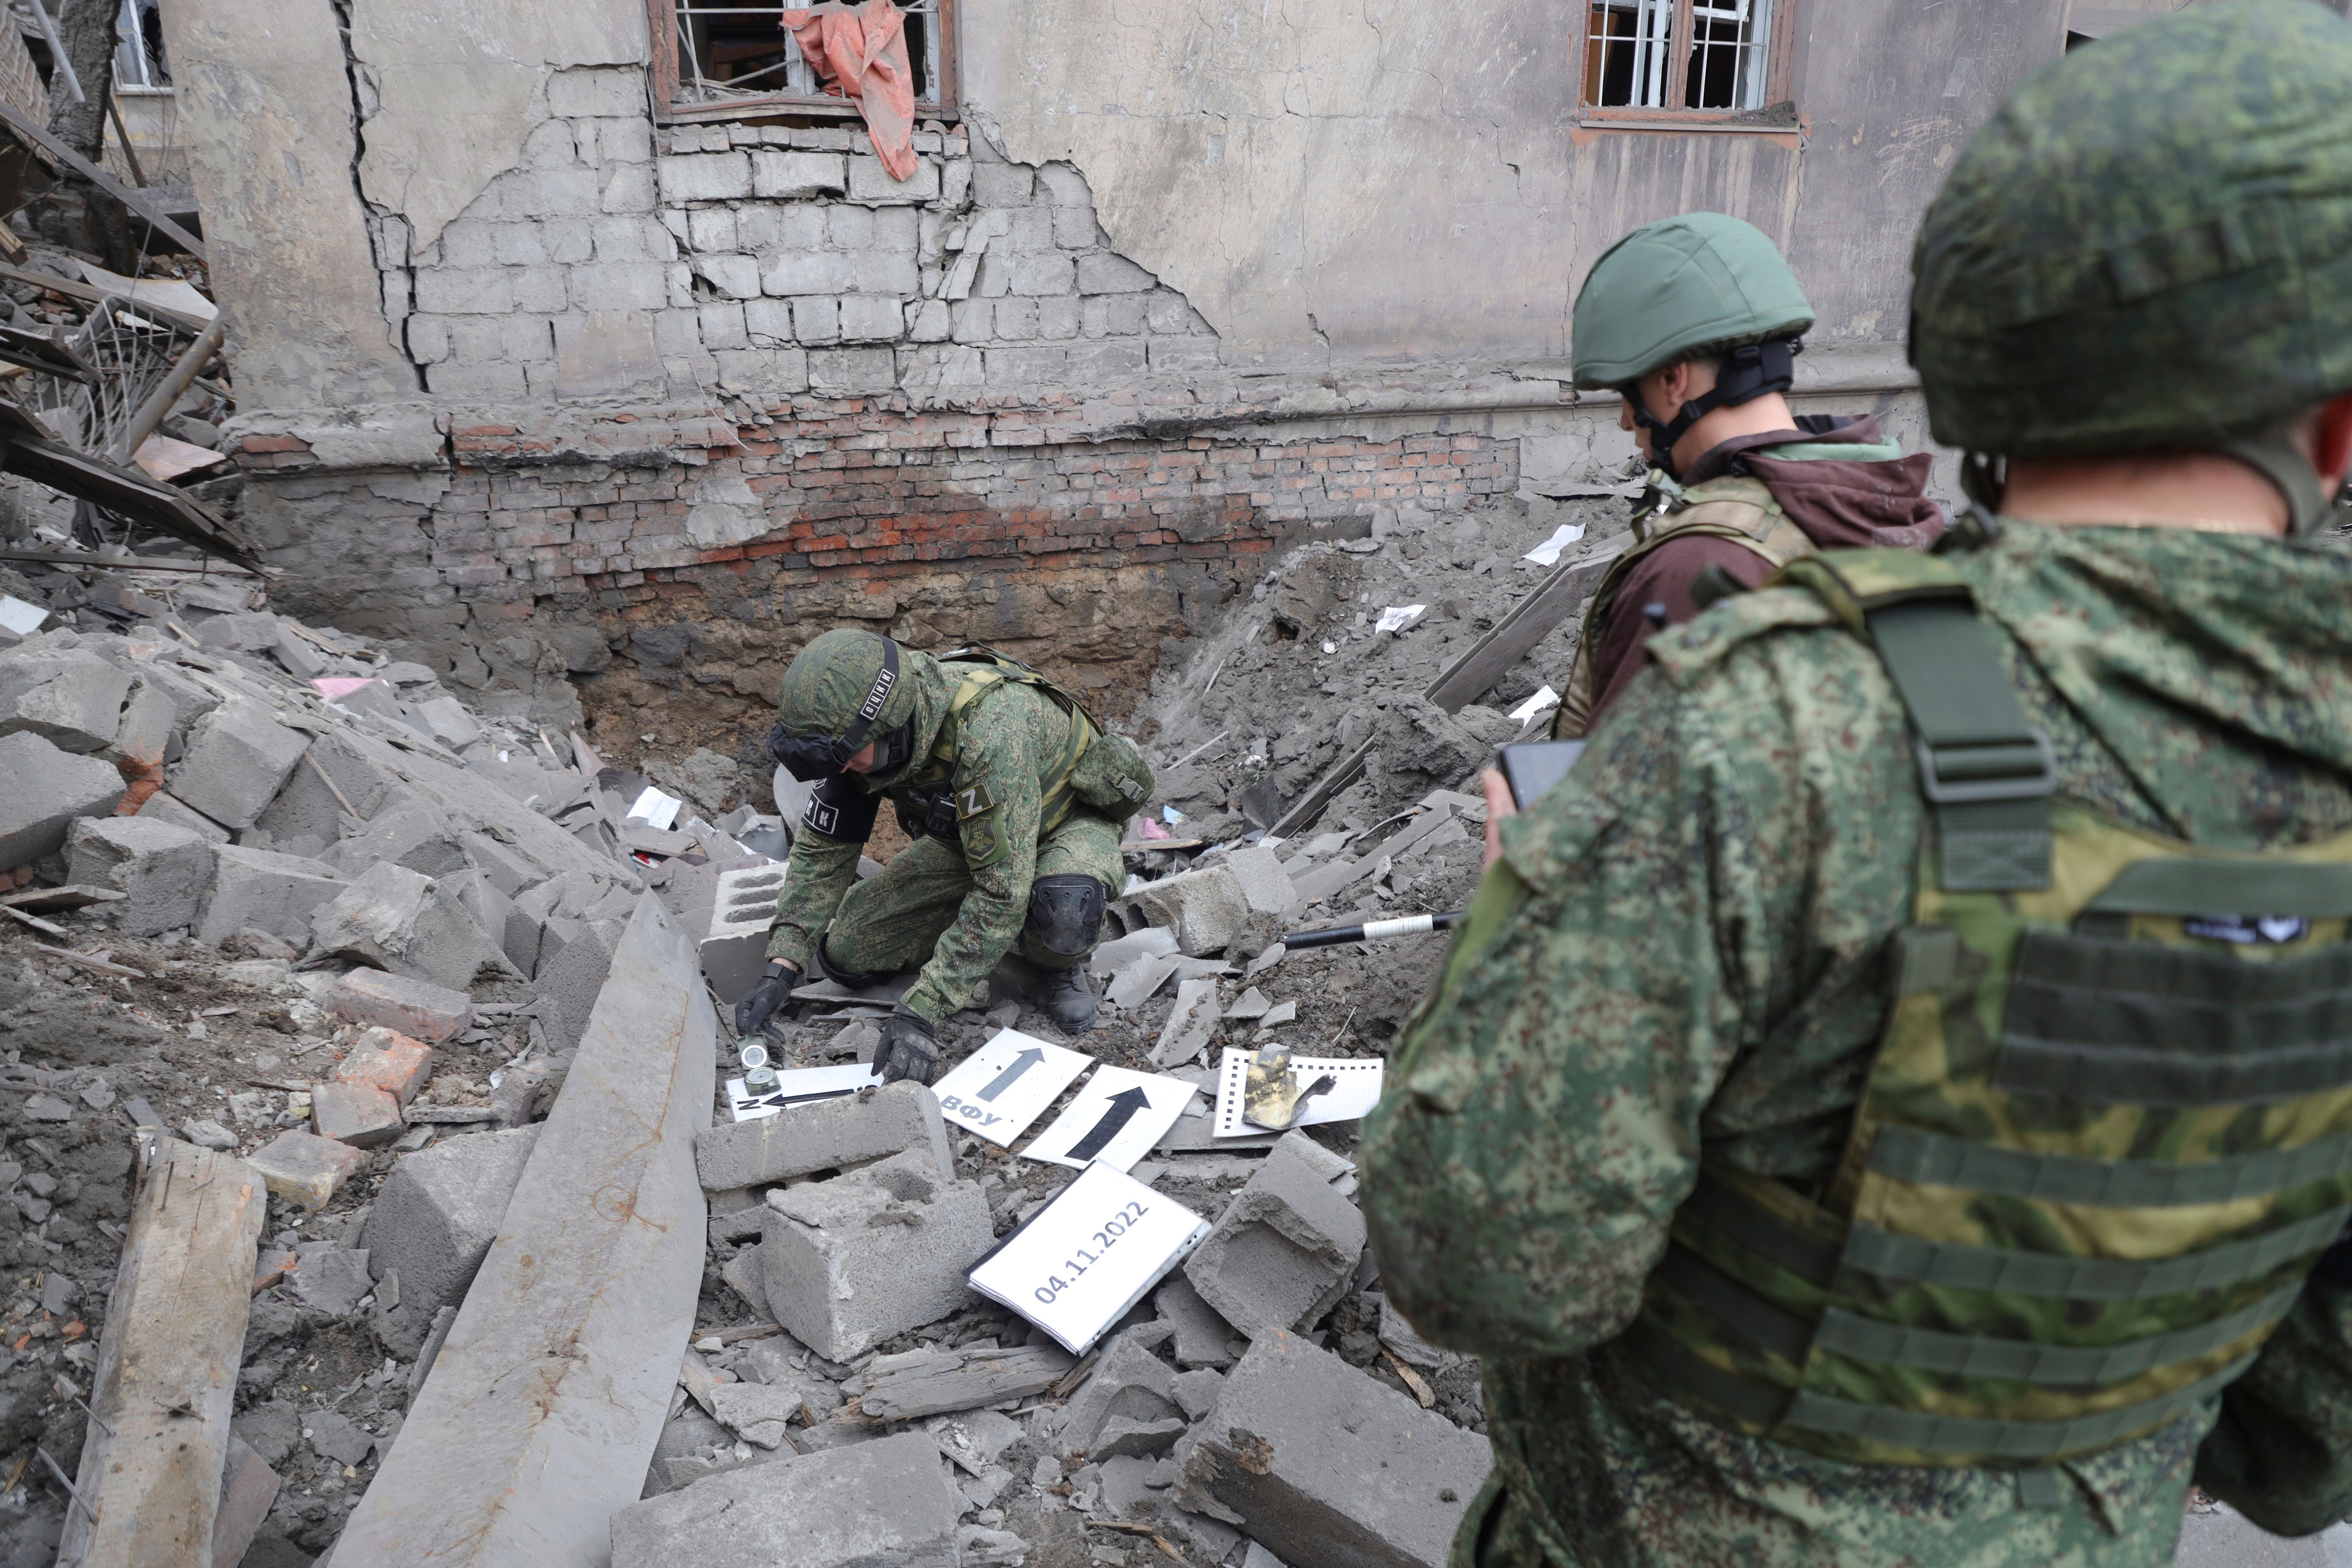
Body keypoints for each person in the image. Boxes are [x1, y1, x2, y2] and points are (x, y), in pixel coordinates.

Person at [1361, 4, 2352, 1564]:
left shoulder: (1785, 726)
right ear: (2338, 424)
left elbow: (1482, 1252)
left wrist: (1524, 899)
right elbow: (2304, 1451)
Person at [1550, 211, 1944, 737]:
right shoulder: (1880, 506)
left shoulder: (1698, 568)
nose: (1626, 421)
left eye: (1628, 394)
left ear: (1672, 380)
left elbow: (1618, 807)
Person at [730, 629, 1153, 1084]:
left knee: (1063, 909)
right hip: (972, 839)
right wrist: (781, 970)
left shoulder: (990, 731)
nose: (838, 770)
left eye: (847, 757)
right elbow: (821, 855)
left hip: (1065, 822)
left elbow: (999, 896)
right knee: (849, 950)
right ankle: (985, 940)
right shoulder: (856, 748)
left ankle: (1059, 964)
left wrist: (922, 1009)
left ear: (890, 725)